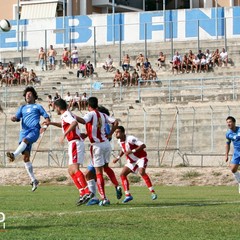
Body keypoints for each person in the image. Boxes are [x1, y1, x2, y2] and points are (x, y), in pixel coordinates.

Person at [44, 99, 94, 205]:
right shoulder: (66, 115)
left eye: (54, 107)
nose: (54, 109)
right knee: (71, 171)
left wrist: (65, 134)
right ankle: (82, 193)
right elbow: (64, 124)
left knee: (74, 169)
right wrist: (51, 123)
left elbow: (74, 123)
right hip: (74, 143)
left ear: (58, 107)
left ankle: (88, 191)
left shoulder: (66, 114)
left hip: (75, 143)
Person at [75, 97, 119, 206]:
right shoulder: (103, 115)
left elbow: (83, 120)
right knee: (100, 170)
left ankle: (103, 198)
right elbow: (116, 122)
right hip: (106, 145)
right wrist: (110, 134)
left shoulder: (90, 114)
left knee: (98, 173)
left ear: (88, 106)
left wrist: (71, 115)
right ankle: (99, 195)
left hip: (97, 146)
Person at [6, 87, 50, 191]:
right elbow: (17, 118)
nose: (27, 96)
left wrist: (45, 125)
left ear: (34, 96)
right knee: (26, 158)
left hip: (34, 130)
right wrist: (14, 118)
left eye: (29, 94)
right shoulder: (22, 108)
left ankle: (13, 155)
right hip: (24, 131)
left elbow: (47, 118)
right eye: (26, 94)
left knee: (25, 140)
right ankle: (34, 180)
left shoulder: (38, 107)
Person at [84, 105, 122, 206]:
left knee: (90, 174)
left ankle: (99, 197)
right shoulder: (105, 122)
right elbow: (102, 133)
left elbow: (101, 133)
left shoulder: (101, 121)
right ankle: (116, 185)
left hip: (98, 148)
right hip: (106, 147)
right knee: (104, 168)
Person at [113, 126, 157, 203]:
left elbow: (143, 145)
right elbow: (123, 150)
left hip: (140, 158)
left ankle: (152, 192)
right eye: (115, 132)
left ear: (123, 133)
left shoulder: (130, 139)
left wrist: (132, 151)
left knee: (141, 172)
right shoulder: (119, 141)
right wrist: (118, 158)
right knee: (122, 174)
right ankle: (128, 195)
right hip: (131, 161)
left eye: (118, 132)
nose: (116, 133)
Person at [225, 116, 240, 193]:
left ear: (234, 122)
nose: (228, 124)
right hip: (237, 153)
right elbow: (227, 144)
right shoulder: (228, 134)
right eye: (227, 122)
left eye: (230, 122)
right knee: (233, 169)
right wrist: (226, 155)